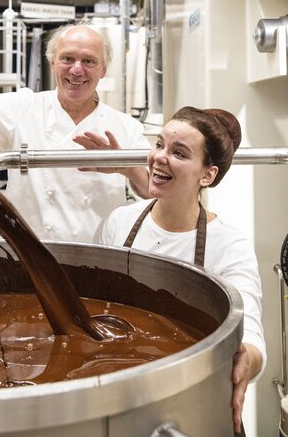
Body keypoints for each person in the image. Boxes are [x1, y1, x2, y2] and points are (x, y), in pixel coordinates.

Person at [93, 106, 265, 434]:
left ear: (207, 175)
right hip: (121, 389)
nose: (160, 157)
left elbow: (250, 332)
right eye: (159, 145)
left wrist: (248, 360)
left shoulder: (229, 245)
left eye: (179, 153)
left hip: (189, 401)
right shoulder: (119, 223)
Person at [0, 21, 150, 242]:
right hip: (27, 256)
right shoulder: (23, 108)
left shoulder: (125, 127)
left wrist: (128, 168)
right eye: (67, 59)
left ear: (103, 70)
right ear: (53, 63)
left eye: (89, 61)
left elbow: (155, 194)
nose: (77, 70)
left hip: (98, 259)